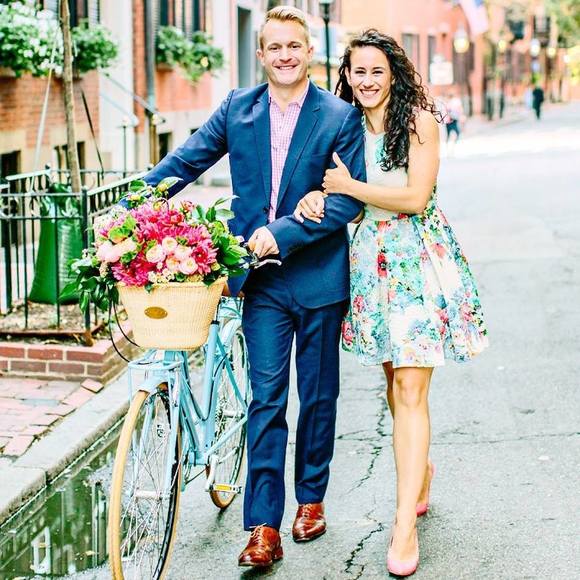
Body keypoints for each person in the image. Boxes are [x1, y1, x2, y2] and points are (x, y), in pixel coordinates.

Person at [141, 6, 366, 569]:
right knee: (265, 399)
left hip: (318, 277)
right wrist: (130, 207)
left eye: (294, 45)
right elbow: (185, 161)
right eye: (275, 47)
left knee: (317, 396)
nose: (285, 55)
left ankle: (310, 498)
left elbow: (350, 199)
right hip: (260, 282)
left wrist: (283, 232)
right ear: (261, 54)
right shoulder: (237, 109)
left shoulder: (339, 116)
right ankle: (263, 525)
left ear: (308, 51)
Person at [295, 30, 488, 576]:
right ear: (346, 76)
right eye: (358, 71)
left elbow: (415, 197)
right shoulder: (344, 127)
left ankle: (403, 526)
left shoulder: (419, 122)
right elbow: (341, 199)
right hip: (368, 264)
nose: (367, 81)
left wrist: (349, 187)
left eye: (376, 71)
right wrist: (318, 196)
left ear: (394, 73)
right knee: (392, 381)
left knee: (409, 387)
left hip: (417, 260)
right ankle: (419, 467)